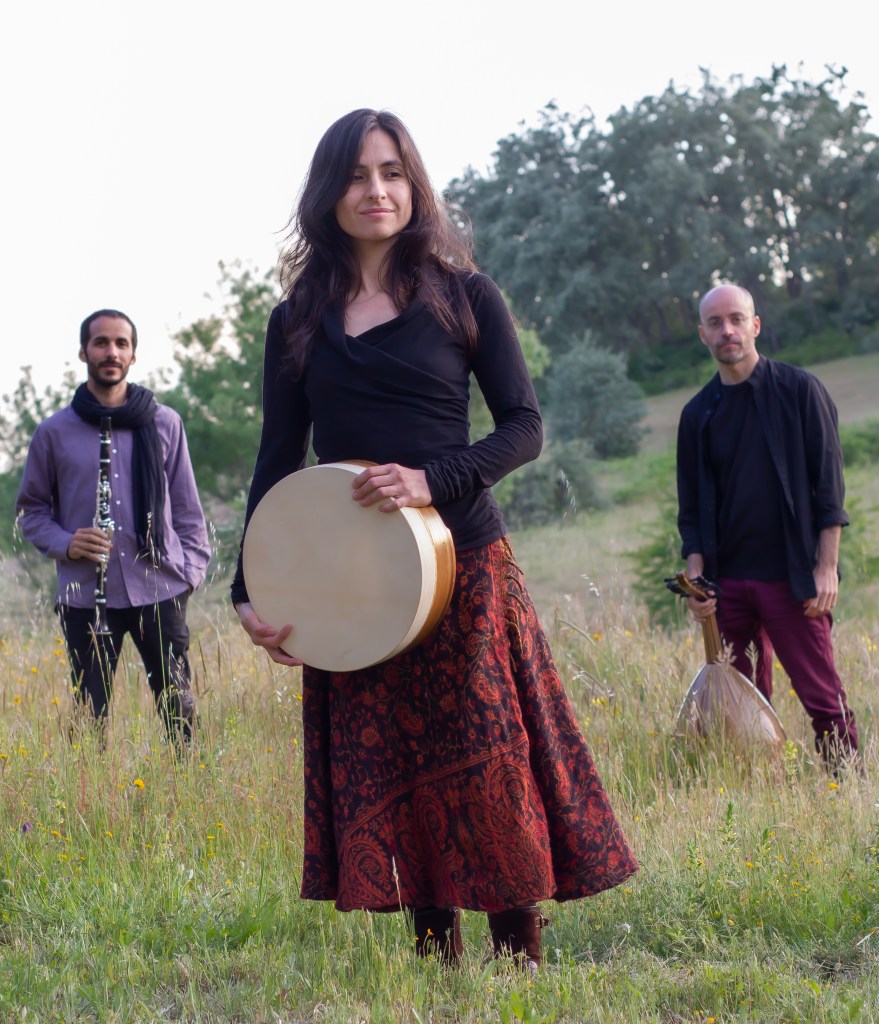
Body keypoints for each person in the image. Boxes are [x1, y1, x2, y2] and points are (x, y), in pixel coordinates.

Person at [231, 108, 637, 970]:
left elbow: (524, 427)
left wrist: (431, 480)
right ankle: (434, 959)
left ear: (413, 185)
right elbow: (277, 458)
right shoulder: (295, 318)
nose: (374, 190)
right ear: (328, 193)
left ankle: (518, 957)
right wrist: (248, 591)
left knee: (488, 760)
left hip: (465, 567)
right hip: (352, 584)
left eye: (390, 172)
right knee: (394, 765)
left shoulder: (465, 295)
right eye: (355, 175)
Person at [676, 284, 858, 768]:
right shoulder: (697, 415)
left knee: (824, 699)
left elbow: (829, 490)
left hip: (793, 579)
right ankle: (762, 788)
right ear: (702, 334)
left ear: (755, 325)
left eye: (736, 319)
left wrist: (827, 567)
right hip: (727, 586)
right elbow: (691, 513)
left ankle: (847, 783)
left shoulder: (800, 392)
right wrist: (696, 580)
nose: (727, 330)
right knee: (740, 707)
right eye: (715, 323)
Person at [17, 309, 211, 744]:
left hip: (160, 588)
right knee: (89, 717)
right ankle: (92, 787)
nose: (111, 352)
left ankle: (187, 782)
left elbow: (188, 512)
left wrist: (189, 577)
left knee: (179, 712)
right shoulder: (53, 432)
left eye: (121, 343)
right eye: (101, 342)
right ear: (83, 352)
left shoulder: (165, 422)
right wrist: (67, 542)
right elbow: (31, 511)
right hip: (86, 594)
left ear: (133, 355)